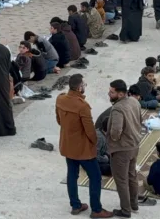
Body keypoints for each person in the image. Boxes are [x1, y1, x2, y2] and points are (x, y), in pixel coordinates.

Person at [56, 74, 113, 218]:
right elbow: (90, 131)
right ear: (79, 87)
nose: (85, 87)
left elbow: (59, 120)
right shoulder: (83, 106)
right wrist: (95, 143)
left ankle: (75, 205)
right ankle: (96, 209)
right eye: (84, 85)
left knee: (72, 175)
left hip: (68, 145)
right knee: (95, 176)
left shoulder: (60, 99)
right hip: (83, 149)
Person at [107, 79, 152, 216]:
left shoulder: (117, 108)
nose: (109, 94)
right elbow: (139, 120)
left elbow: (116, 131)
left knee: (121, 181)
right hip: (134, 145)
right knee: (132, 176)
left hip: (121, 149)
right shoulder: (134, 101)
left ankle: (126, 210)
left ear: (120, 94)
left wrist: (113, 139)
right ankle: (134, 204)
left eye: (111, 92)